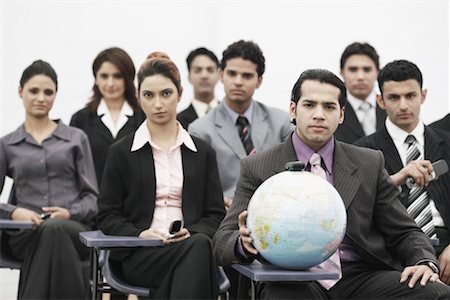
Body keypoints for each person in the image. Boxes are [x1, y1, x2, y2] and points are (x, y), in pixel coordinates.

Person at [213, 68, 450, 299]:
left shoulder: (368, 162)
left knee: (435, 292)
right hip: (292, 278)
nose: (319, 114)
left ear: (341, 114)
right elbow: (222, 241)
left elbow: (404, 231)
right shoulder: (258, 166)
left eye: (329, 106)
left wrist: (424, 261)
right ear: (293, 110)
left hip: (360, 276)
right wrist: (244, 244)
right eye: (309, 105)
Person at [96, 52, 226, 299]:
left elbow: (215, 214)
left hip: (189, 246)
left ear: (179, 93)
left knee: (197, 247)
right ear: (138, 98)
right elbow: (107, 214)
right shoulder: (121, 152)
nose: (158, 103)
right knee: (200, 253)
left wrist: (192, 231)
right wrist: (139, 234)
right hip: (141, 254)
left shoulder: (203, 152)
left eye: (166, 94)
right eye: (149, 95)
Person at [0, 60, 98, 299]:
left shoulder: (76, 138)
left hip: (72, 229)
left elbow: (92, 199)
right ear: (20, 91)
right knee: (49, 233)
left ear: (55, 95)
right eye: (34, 91)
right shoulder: (7, 144)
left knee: (54, 229)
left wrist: (69, 213)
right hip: (25, 234)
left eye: (48, 92)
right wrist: (14, 212)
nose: (41, 98)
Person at [355, 60, 450, 284]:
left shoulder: (447, 144)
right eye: (394, 98)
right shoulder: (363, 151)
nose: (404, 105)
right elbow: (360, 208)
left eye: (410, 96)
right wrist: (395, 179)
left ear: (423, 96)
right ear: (380, 100)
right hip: (392, 251)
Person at [189, 40, 292, 211]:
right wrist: (217, 199)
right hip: (225, 216)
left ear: (259, 80)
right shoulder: (200, 130)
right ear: (221, 75)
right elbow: (197, 185)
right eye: (232, 74)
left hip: (277, 213)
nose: (238, 81)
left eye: (247, 76)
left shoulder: (281, 122)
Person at [70, 47, 146, 186]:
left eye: (117, 76)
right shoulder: (80, 119)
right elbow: (73, 167)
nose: (110, 83)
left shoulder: (144, 117)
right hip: (94, 203)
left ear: (128, 78)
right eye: (104, 76)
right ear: (96, 78)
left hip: (136, 203)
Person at [334, 42, 387, 144]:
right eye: (353, 70)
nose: (360, 77)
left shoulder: (390, 107)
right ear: (342, 72)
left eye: (367, 70)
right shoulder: (332, 109)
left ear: (377, 72)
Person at [177, 47, 220, 129]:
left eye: (210, 70)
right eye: (198, 70)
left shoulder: (231, 115)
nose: (204, 75)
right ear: (189, 77)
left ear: (218, 75)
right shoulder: (178, 123)